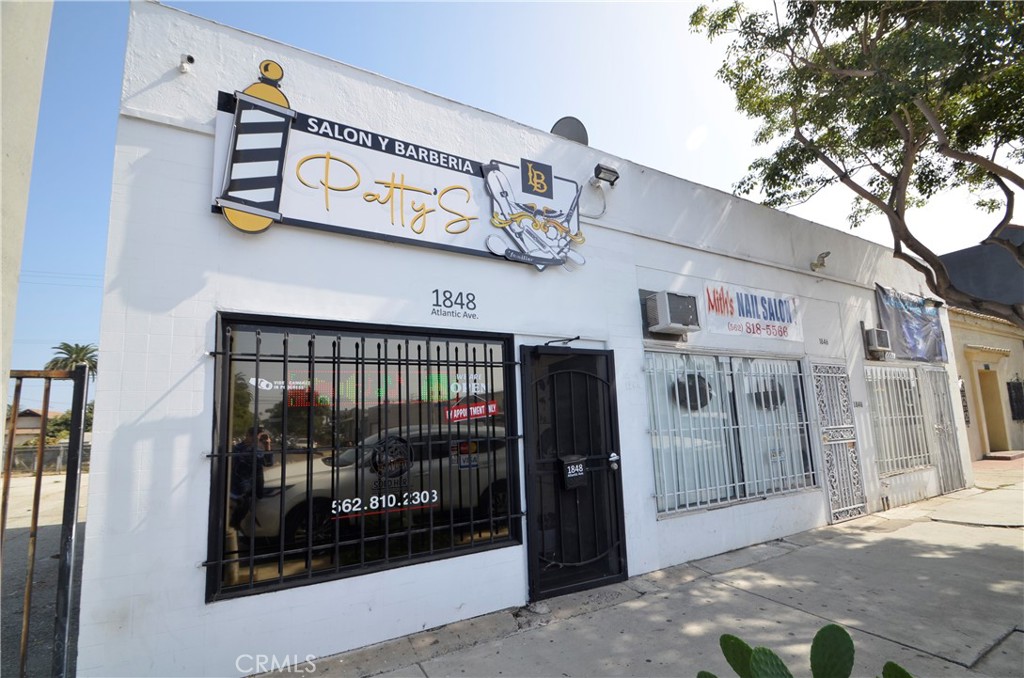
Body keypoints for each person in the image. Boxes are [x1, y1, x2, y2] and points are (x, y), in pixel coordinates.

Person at [229, 427, 272, 529]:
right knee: (234, 521)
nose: (256, 439)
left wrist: (267, 445)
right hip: (238, 490)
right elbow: (244, 458)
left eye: (259, 437)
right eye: (254, 437)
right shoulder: (238, 449)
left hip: (252, 489)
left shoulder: (258, 449)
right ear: (247, 435)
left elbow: (268, 463)